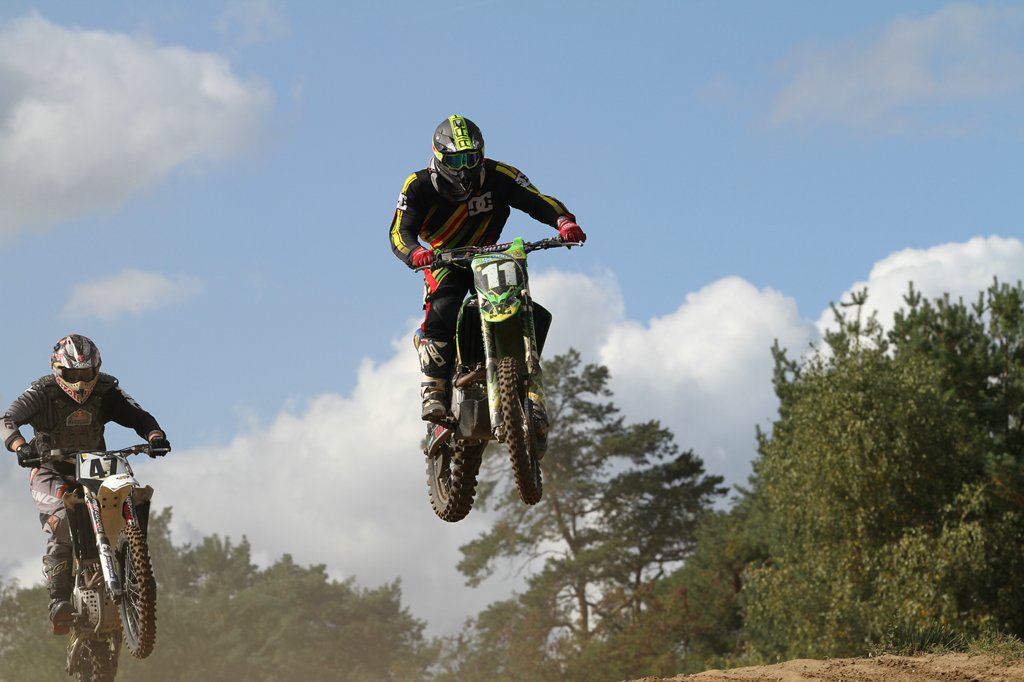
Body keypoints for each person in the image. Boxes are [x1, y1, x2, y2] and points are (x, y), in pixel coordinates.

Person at [389, 114, 587, 425]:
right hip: (444, 259)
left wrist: (563, 221)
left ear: (481, 155)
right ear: (439, 157)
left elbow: (536, 200)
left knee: (520, 303)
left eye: (470, 159)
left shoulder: (499, 175)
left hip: (491, 255)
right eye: (456, 160)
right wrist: (416, 253)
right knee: (445, 304)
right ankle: (434, 389)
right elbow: (400, 231)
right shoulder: (418, 185)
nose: (464, 168)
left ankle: (528, 384)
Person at [1, 334, 171, 635]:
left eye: (86, 373)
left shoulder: (106, 391)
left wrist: (155, 436)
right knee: (62, 519)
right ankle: (59, 600)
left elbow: (139, 416)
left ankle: (135, 565)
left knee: (132, 494)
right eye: (72, 374)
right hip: (50, 469)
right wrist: (19, 446)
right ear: (58, 370)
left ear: (97, 369)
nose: (80, 382)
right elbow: (6, 419)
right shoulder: (41, 392)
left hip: (95, 467)